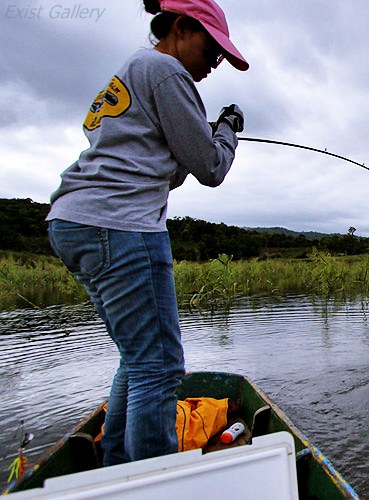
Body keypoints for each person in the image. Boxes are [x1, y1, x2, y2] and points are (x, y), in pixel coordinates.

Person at [46, 0, 248, 466]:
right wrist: (228, 130)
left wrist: (206, 134)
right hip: (120, 224)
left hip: (77, 221)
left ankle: (117, 465)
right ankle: (155, 494)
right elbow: (211, 168)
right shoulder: (164, 70)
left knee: (138, 358)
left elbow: (171, 173)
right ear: (181, 28)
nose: (213, 65)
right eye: (211, 51)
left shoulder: (133, 71)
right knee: (159, 368)